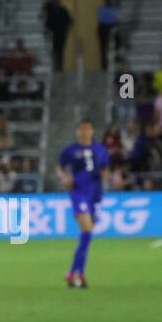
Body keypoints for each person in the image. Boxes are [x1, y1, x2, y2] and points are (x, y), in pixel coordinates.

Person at [57, 119, 109, 288]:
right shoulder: (71, 150)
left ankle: (75, 272)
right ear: (78, 131)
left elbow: (106, 169)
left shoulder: (100, 150)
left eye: (87, 129)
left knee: (87, 235)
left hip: (96, 194)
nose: (84, 132)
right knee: (86, 230)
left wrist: (106, 177)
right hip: (79, 192)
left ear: (92, 131)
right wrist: (64, 177)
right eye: (82, 129)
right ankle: (77, 273)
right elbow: (59, 166)